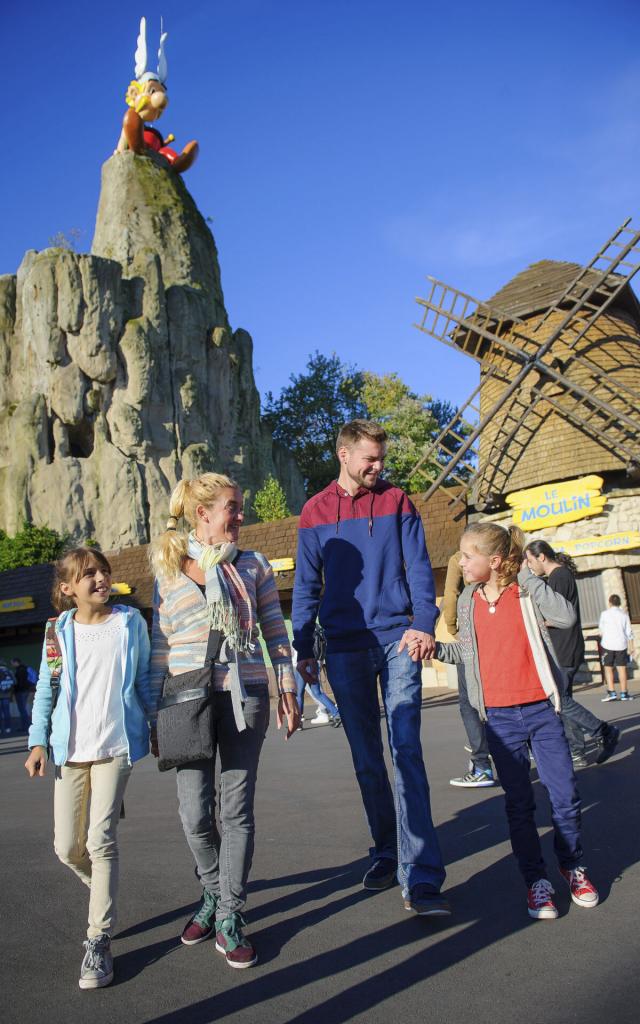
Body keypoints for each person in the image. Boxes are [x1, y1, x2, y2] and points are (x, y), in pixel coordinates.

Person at [293, 419, 449, 917]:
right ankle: (387, 850)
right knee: (366, 759)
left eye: (381, 458)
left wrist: (423, 622)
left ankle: (421, 876)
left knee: (406, 751)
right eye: (370, 459)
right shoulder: (315, 512)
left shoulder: (398, 500)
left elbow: (419, 566)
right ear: (344, 455)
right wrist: (303, 648)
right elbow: (305, 586)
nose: (378, 467)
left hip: (399, 638)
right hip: (342, 647)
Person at [150, 472, 299, 968]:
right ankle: (212, 893)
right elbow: (159, 647)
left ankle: (231, 912)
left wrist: (287, 687)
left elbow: (276, 634)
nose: (241, 516)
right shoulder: (168, 569)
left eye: (240, 507)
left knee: (235, 811)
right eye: (233, 508)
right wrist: (153, 712)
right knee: (194, 813)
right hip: (185, 702)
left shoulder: (253, 565)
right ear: (203, 514)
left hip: (245, 695)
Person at [436, 522, 599, 920]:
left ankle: (572, 865)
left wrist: (526, 574)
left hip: (541, 712)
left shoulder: (525, 592)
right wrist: (435, 649)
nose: (461, 561)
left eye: (467, 555)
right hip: (500, 719)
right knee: (520, 804)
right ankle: (536, 881)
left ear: (493, 561)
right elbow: (467, 656)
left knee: (565, 796)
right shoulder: (468, 601)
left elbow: (566, 618)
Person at [24, 548, 155, 990]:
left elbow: (143, 681)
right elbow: (47, 687)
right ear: (67, 589)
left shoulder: (130, 623)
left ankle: (98, 939)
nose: (100, 578)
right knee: (66, 847)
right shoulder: (57, 632)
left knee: (101, 840)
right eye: (88, 574)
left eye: (103, 571)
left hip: (116, 747)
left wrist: (155, 725)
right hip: (69, 750)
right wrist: (37, 741)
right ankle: (104, 893)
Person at [525, 541, 619, 766]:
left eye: (529, 560)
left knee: (560, 699)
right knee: (563, 699)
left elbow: (558, 615)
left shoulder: (559, 577)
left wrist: (536, 621)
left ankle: (602, 730)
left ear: (542, 557)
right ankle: (577, 750)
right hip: (565, 646)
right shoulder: (558, 576)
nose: (529, 566)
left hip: (564, 648)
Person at [443, 552, 495, 788]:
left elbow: (451, 593)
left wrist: (452, 626)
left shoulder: (458, 558)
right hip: (494, 630)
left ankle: (482, 765)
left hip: (471, 630)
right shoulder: (496, 554)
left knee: (469, 703)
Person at [293, 625, 341, 728]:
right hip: (315, 662)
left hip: (302, 663)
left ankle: (298, 722)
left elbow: (296, 646)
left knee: (299, 694)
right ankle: (336, 713)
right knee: (317, 692)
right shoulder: (317, 629)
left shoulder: (300, 629)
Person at [598, 594, 635, 701]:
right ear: (619, 603)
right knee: (622, 669)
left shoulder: (604, 614)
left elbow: (601, 631)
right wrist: (631, 647)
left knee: (608, 668)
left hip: (607, 644)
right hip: (621, 644)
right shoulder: (624, 615)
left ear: (609, 603)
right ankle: (624, 693)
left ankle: (612, 692)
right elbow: (629, 633)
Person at [11, 657, 32, 731]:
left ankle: (26, 726)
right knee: (23, 709)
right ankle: (26, 726)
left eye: (12, 662)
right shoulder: (24, 668)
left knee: (22, 709)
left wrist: (15, 689)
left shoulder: (20, 670)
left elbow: (20, 682)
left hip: (21, 691)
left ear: (16, 662)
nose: (12, 664)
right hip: (26, 690)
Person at [0, 661, 15, 734]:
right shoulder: (9, 672)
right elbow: (14, 682)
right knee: (7, 712)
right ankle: (8, 728)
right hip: (7, 694)